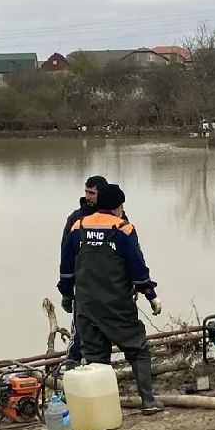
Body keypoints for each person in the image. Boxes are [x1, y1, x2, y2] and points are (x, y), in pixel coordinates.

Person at [59, 182, 164, 413]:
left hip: (86, 306)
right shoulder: (124, 229)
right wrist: (151, 295)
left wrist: (67, 294)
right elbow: (138, 269)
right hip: (117, 305)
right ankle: (148, 401)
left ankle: (101, 409)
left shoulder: (79, 226)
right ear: (117, 207)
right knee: (138, 349)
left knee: (96, 358)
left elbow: (66, 267)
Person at [60, 176, 110, 368]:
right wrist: (66, 292)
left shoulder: (117, 217)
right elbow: (65, 257)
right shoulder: (75, 219)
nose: (88, 197)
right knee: (80, 336)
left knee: (109, 334)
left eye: (92, 193)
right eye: (86, 192)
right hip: (83, 288)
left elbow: (130, 255)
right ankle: (70, 373)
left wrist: (132, 285)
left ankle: (101, 373)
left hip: (110, 289)